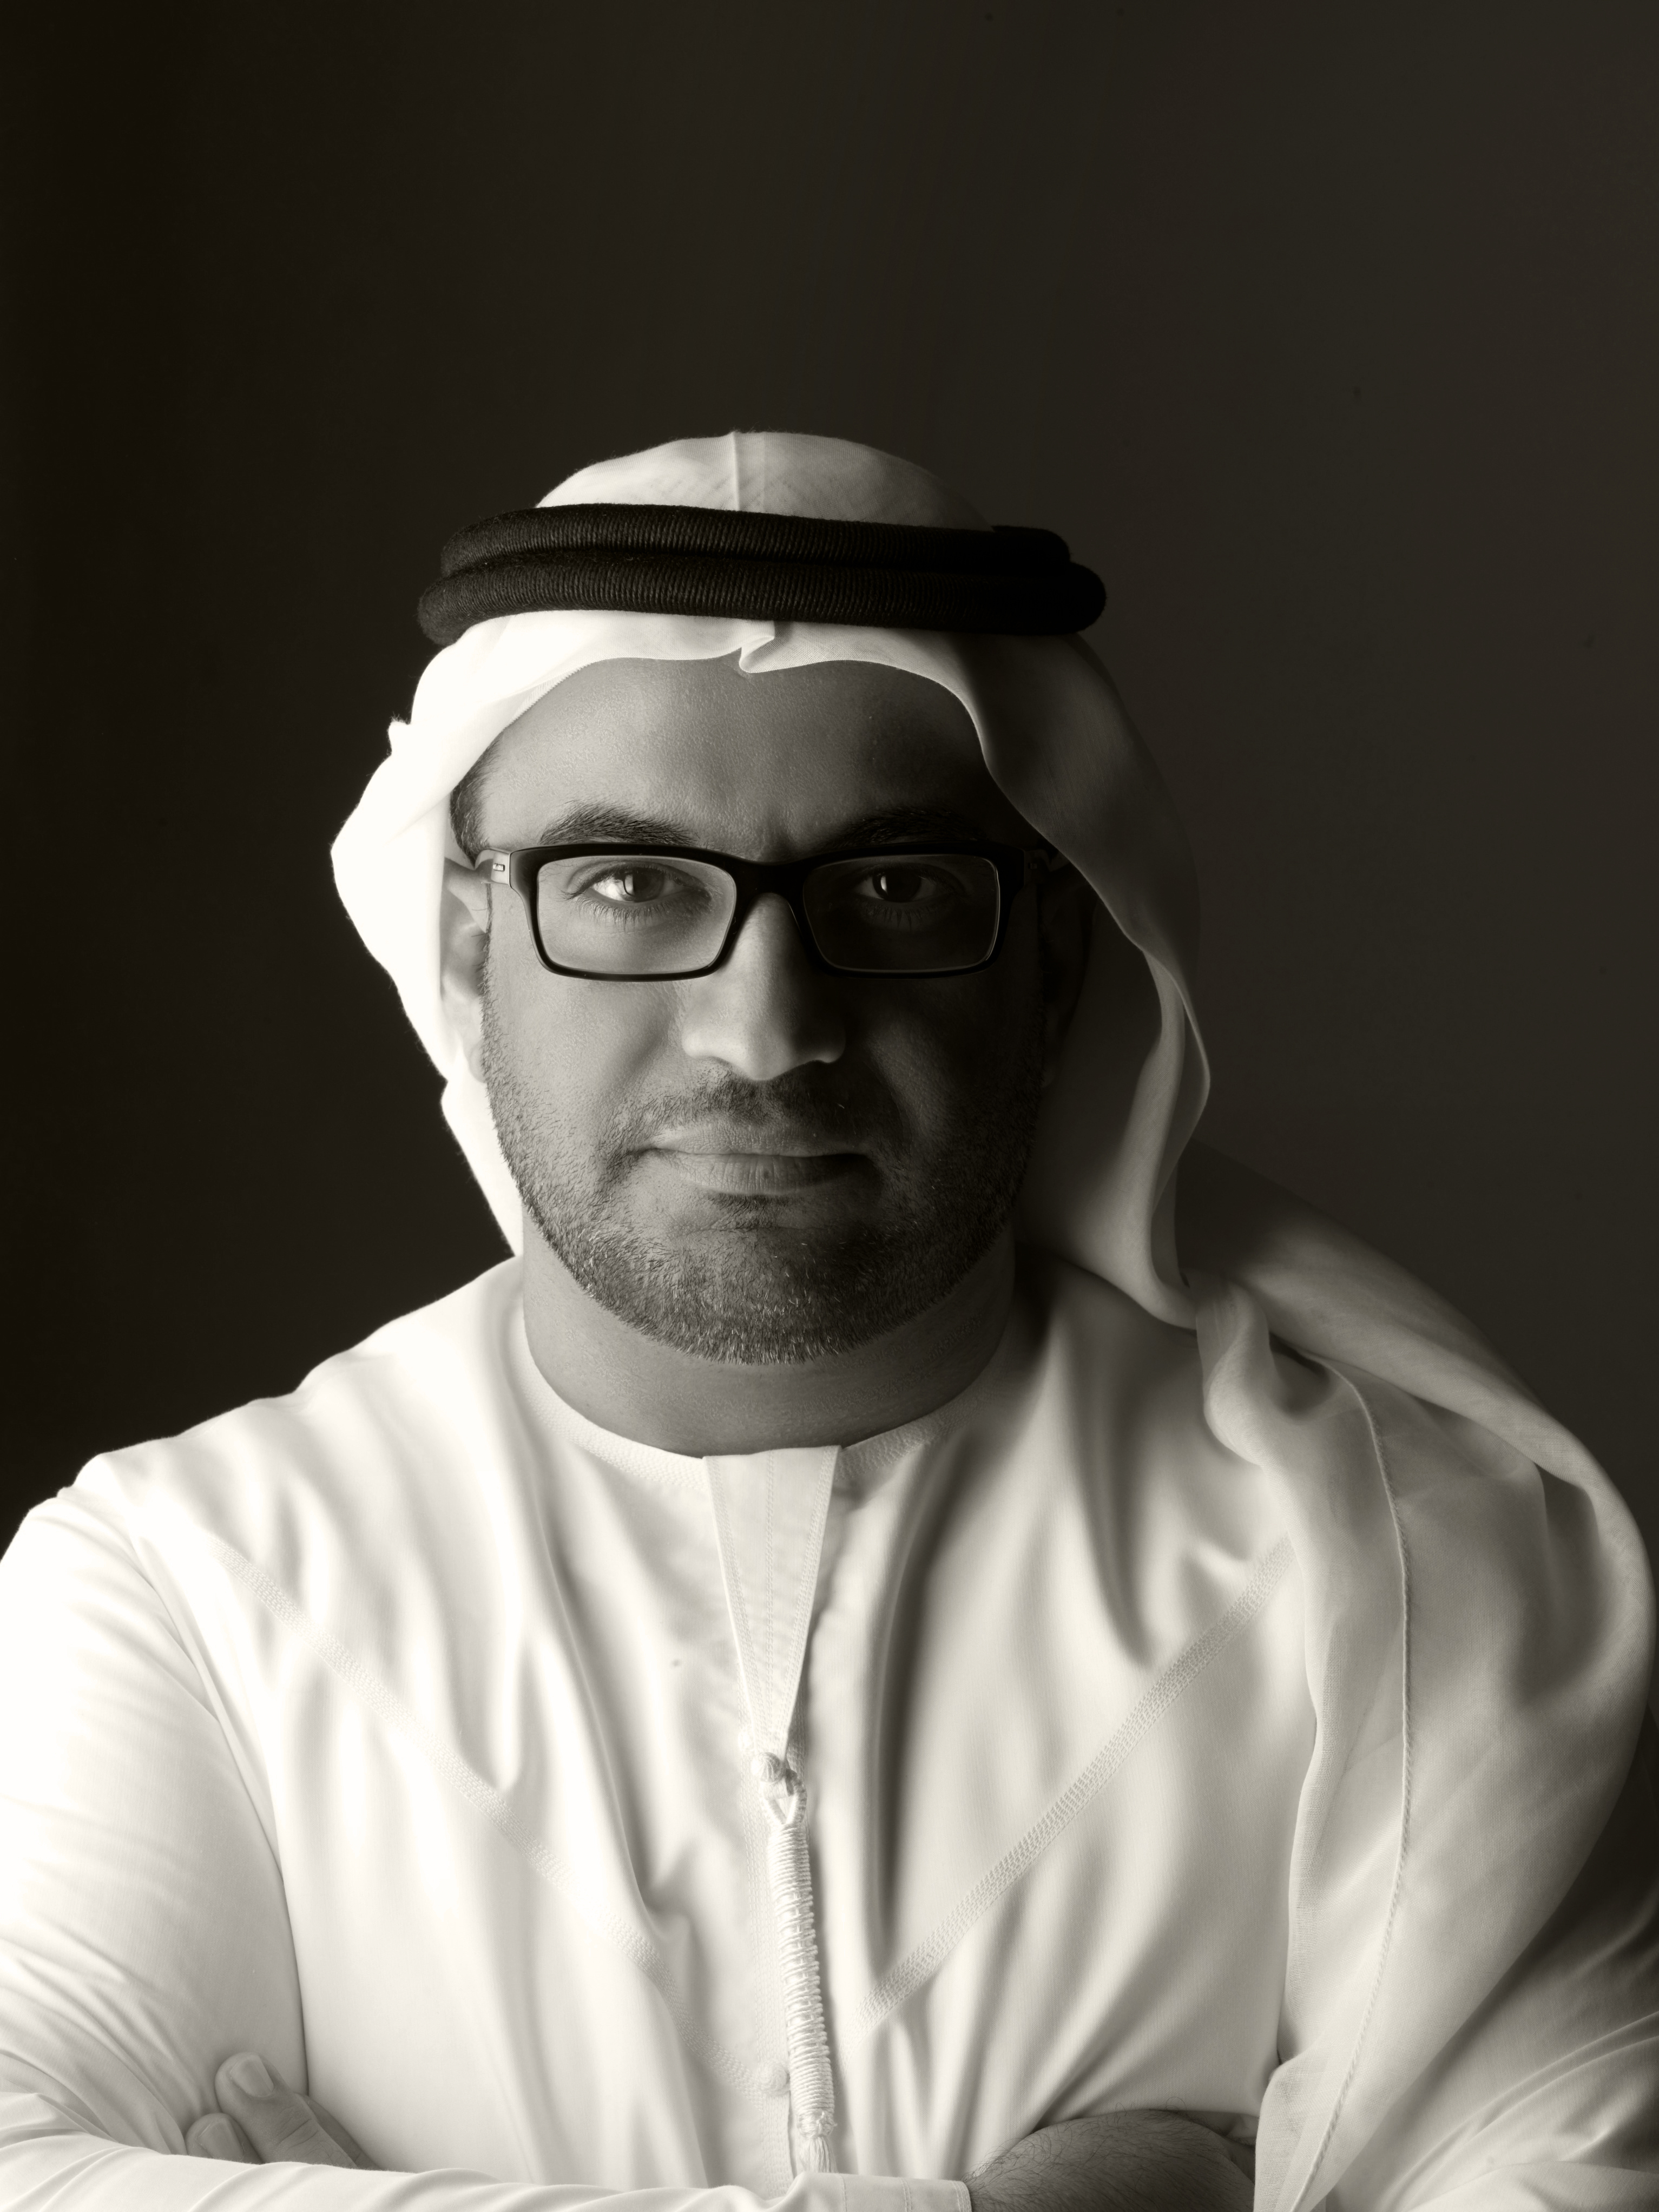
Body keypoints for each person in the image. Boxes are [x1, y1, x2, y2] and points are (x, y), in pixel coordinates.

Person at [0, 432, 1653, 2212]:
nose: (765, 1032)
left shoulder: (1411, 1571)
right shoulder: (194, 1582)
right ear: (473, 945)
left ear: (1054, 958)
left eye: (892, 890)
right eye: (631, 884)